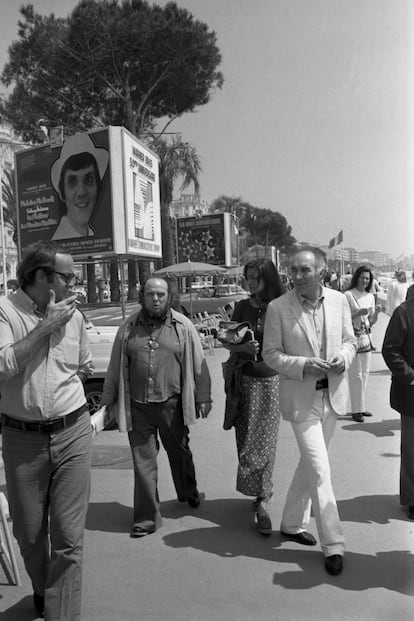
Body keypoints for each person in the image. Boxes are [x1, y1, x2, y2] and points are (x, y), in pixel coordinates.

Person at [0, 241, 93, 619]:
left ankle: (61, 612)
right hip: (23, 440)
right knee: (30, 536)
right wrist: (45, 327)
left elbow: (83, 365)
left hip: (73, 432)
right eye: (67, 276)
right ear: (41, 277)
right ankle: (44, 590)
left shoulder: (75, 316)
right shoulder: (5, 312)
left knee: (70, 540)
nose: (74, 283)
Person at [262, 246, 356, 576]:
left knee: (309, 464)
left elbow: (351, 340)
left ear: (321, 271)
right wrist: (303, 365)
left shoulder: (339, 300)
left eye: (304, 270)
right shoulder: (277, 308)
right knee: (319, 468)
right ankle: (334, 544)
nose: (297, 276)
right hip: (301, 401)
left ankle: (290, 522)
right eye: (293, 270)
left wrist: (343, 358)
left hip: (332, 397)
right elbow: (270, 354)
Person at [102, 276, 212, 538]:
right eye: (150, 294)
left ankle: (188, 490)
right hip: (138, 407)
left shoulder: (183, 326)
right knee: (143, 464)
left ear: (169, 297)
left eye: (161, 295)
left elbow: (199, 362)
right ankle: (146, 519)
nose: (155, 299)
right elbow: (115, 366)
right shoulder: (128, 328)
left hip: (172, 405)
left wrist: (203, 396)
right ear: (143, 297)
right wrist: (108, 400)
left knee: (180, 452)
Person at [222, 259, 285, 536]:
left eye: (255, 279)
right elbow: (225, 338)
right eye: (247, 278)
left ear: (268, 279)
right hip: (245, 381)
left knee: (266, 442)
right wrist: (243, 346)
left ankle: (263, 499)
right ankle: (257, 492)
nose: (249, 283)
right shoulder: (242, 306)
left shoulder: (282, 307)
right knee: (247, 439)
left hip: (272, 382)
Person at [382, 294, 414, 520]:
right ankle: (412, 499)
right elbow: (390, 349)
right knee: (412, 451)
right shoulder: (404, 312)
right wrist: (410, 376)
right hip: (412, 393)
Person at [50, 133, 109, 239]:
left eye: (89, 179)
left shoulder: (91, 235)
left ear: (98, 188)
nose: (81, 192)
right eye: (72, 182)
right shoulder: (58, 246)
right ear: (62, 193)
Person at [344, 265, 381, 422]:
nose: (365, 281)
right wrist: (358, 313)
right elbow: (343, 317)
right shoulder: (348, 295)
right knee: (355, 375)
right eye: (362, 278)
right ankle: (356, 409)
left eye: (367, 278)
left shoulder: (370, 296)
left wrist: (377, 313)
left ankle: (361, 406)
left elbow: (371, 321)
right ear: (356, 277)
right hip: (352, 338)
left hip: (366, 338)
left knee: (365, 374)